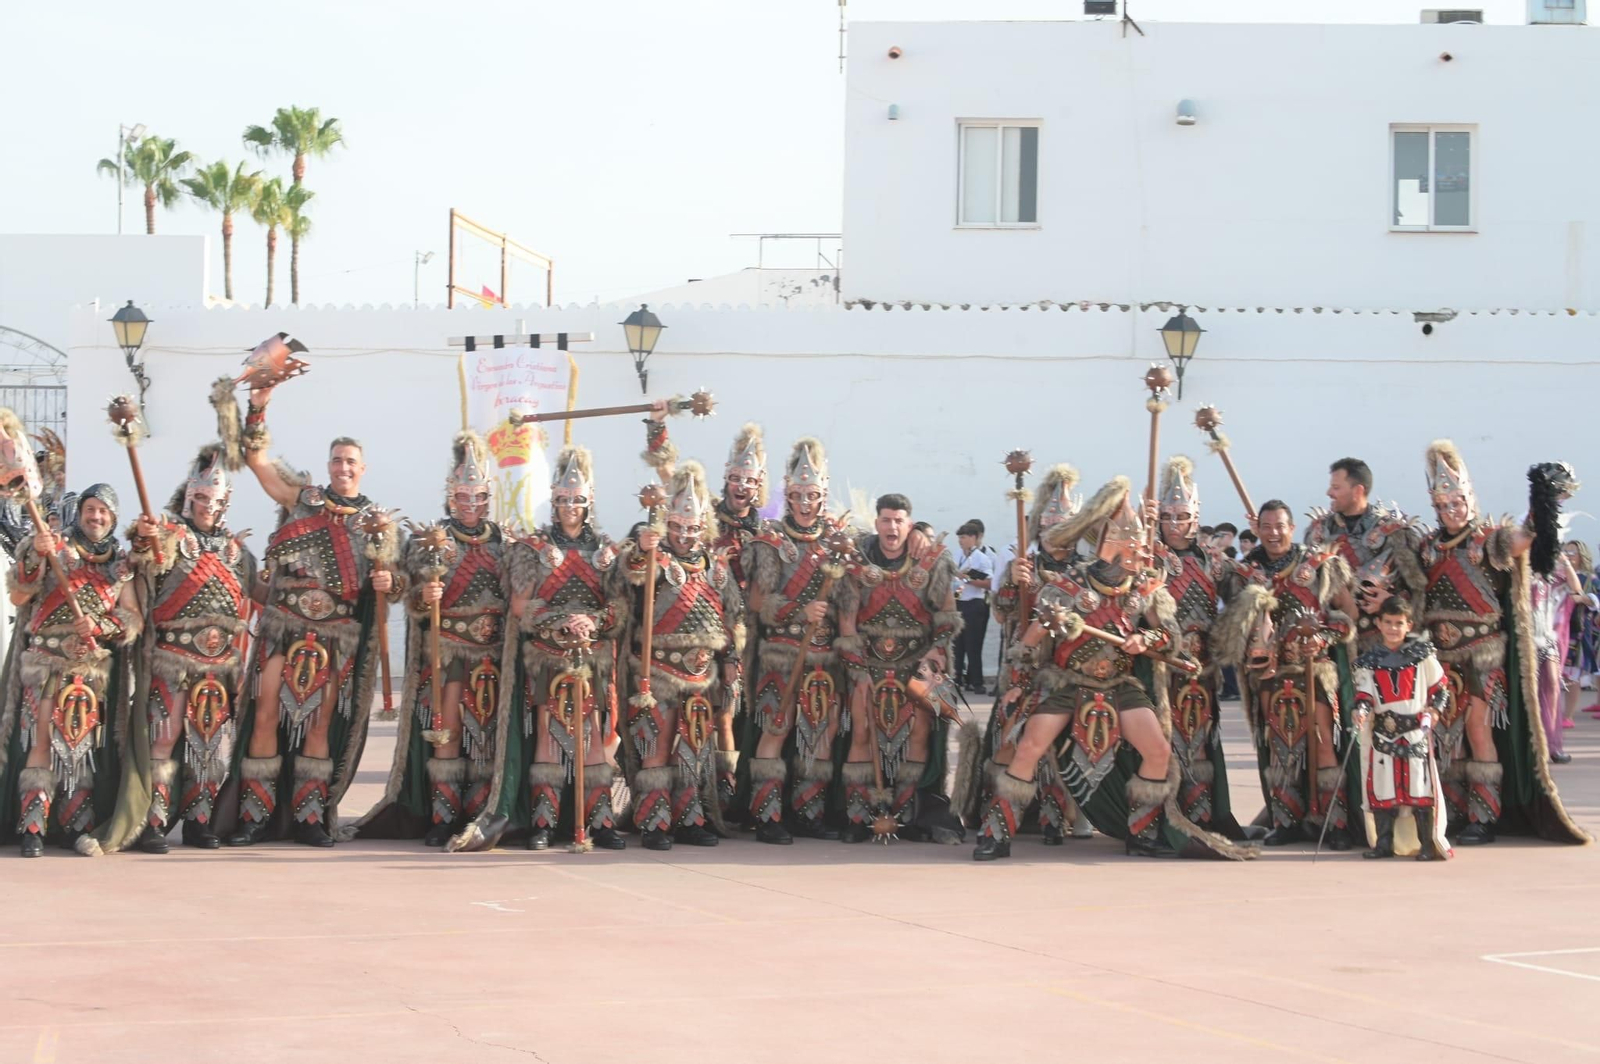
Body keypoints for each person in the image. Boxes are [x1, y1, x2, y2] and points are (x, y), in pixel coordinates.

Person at [972, 476, 1252, 861]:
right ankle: (995, 833)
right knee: (1029, 746)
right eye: (1136, 549)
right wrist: (1021, 677)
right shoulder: (1070, 586)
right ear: (1116, 548)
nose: (1144, 555)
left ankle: (1141, 832)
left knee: (1158, 750)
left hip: (1119, 683)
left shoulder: (1144, 588)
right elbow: (1030, 642)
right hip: (1069, 682)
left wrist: (1146, 640)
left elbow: (1169, 634)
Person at [211, 370, 402, 847]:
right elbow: (257, 461)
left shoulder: (378, 523)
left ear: (363, 468)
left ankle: (309, 818)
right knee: (265, 713)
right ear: (328, 465)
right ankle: (255, 817)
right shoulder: (303, 499)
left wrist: (390, 581)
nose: (343, 467)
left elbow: (397, 582)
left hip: (337, 635)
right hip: (285, 627)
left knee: (320, 722)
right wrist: (259, 405)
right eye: (337, 460)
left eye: (351, 461)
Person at [79, 443, 260, 855]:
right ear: (189, 496)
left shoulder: (236, 551)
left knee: (209, 741)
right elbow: (144, 556)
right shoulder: (172, 535)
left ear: (226, 503)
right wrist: (144, 538)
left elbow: (258, 591)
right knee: (164, 736)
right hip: (172, 658)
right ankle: (152, 823)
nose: (208, 506)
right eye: (201, 498)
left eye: (215, 500)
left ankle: (199, 822)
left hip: (219, 663)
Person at [1416, 444, 1587, 844]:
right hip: (1441, 657)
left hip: (1483, 654)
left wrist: (1541, 499)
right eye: (1443, 505)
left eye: (1457, 502)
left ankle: (1484, 816)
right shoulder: (1427, 548)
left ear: (1469, 500)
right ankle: (1454, 812)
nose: (1451, 510)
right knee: (1448, 737)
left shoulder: (1488, 540)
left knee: (1478, 731)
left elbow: (1525, 539)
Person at [349, 432, 512, 846]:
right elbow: (407, 590)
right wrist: (424, 596)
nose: (470, 503)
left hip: (493, 653)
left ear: (488, 498)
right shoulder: (431, 539)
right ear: (451, 496)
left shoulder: (505, 542)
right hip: (447, 650)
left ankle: (478, 812)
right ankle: (444, 816)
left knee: (488, 734)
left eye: (478, 496)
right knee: (448, 730)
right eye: (463, 496)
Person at [0, 442, 142, 858]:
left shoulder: (121, 565)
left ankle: (73, 824)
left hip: (92, 668)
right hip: (46, 663)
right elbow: (20, 595)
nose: (96, 517)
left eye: (103, 511)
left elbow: (133, 618)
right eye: (90, 509)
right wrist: (36, 555)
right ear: (79, 513)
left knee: (82, 747)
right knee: (42, 740)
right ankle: (32, 826)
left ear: (113, 518)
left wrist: (100, 625)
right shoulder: (54, 546)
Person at [1216, 499, 1359, 849]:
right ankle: (1286, 821)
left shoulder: (1318, 564)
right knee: (1281, 748)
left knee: (1323, 743)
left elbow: (1349, 614)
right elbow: (1232, 625)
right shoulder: (1245, 573)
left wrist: (1323, 637)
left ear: (1292, 528)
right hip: (1270, 674)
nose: (1273, 533)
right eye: (1266, 527)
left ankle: (1335, 823)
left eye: (1280, 526)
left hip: (1315, 670)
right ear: (1257, 529)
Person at [617, 461, 744, 850]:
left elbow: (732, 618)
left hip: (701, 673)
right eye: (677, 527)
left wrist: (730, 660)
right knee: (657, 746)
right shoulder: (657, 558)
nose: (685, 535)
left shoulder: (715, 567)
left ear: (703, 526)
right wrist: (642, 550)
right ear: (667, 524)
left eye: (692, 528)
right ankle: (654, 822)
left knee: (695, 747)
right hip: (657, 669)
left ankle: (690, 818)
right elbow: (632, 572)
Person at [644, 415, 763, 812]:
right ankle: (687, 798)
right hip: (693, 621)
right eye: (736, 478)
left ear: (759, 484)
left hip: (741, 631)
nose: (742, 486)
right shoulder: (704, 512)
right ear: (727, 478)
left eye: (750, 480)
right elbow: (670, 474)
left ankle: (727, 791)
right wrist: (657, 427)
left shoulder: (765, 530)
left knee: (730, 717)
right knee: (699, 718)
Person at [742, 438, 855, 843]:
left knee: (821, 731)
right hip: (782, 652)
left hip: (825, 657)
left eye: (812, 495)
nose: (805, 503)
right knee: (778, 726)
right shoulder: (770, 541)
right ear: (787, 495)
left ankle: (809, 812)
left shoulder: (839, 542)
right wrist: (798, 610)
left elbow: (849, 602)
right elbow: (757, 602)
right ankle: (767, 816)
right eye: (797, 495)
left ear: (823, 495)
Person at [837, 493, 965, 843]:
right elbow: (847, 621)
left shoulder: (933, 560)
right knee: (861, 733)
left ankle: (908, 816)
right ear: (876, 523)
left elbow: (947, 615)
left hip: (917, 663)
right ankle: (858, 817)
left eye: (899, 521)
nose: (892, 527)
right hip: (869, 662)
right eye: (886, 520)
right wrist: (857, 670)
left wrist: (937, 649)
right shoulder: (856, 562)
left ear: (909, 525)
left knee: (919, 735)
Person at [975, 463, 1093, 844]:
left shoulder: (1086, 571)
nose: (1059, 532)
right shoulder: (1024, 565)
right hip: (1024, 665)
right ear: (1041, 526)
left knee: (1065, 742)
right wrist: (1014, 584)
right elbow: (1000, 612)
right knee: (1012, 735)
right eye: (1052, 524)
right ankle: (1006, 812)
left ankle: (1061, 815)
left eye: (1066, 525)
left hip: (1069, 668)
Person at [1150, 457, 1249, 839]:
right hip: (1159, 666)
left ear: (1195, 517)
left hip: (1202, 669)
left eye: (1182, 516)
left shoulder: (1214, 562)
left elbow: (1248, 592)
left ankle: (1202, 814)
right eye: (1167, 517)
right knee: (1160, 740)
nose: (1174, 524)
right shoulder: (1149, 556)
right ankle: (1161, 819)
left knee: (1201, 740)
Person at [1352, 597, 1450, 861]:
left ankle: (1427, 844)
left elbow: (1440, 689)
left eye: (1399, 623)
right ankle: (1384, 844)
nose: (1393, 628)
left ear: (1409, 625)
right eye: (1388, 622)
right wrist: (1361, 710)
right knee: (1383, 789)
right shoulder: (1368, 661)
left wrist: (1435, 710)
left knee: (1419, 789)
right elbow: (1364, 694)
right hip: (1383, 734)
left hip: (1414, 733)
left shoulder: (1422, 655)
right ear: (1378, 623)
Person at [1305, 457, 1426, 654]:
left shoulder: (1394, 534)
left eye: (1336, 487)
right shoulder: (1319, 532)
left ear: (1358, 491)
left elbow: (1417, 592)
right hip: (1331, 645)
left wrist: (1391, 602)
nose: (1329, 493)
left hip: (1381, 645)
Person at [952, 520, 995, 693]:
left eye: (964, 537)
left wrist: (968, 579)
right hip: (958, 601)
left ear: (973, 538)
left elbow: (990, 583)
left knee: (973, 644)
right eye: (959, 538)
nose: (960, 541)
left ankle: (976, 681)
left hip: (974, 603)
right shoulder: (957, 554)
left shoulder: (982, 558)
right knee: (957, 644)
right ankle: (956, 679)